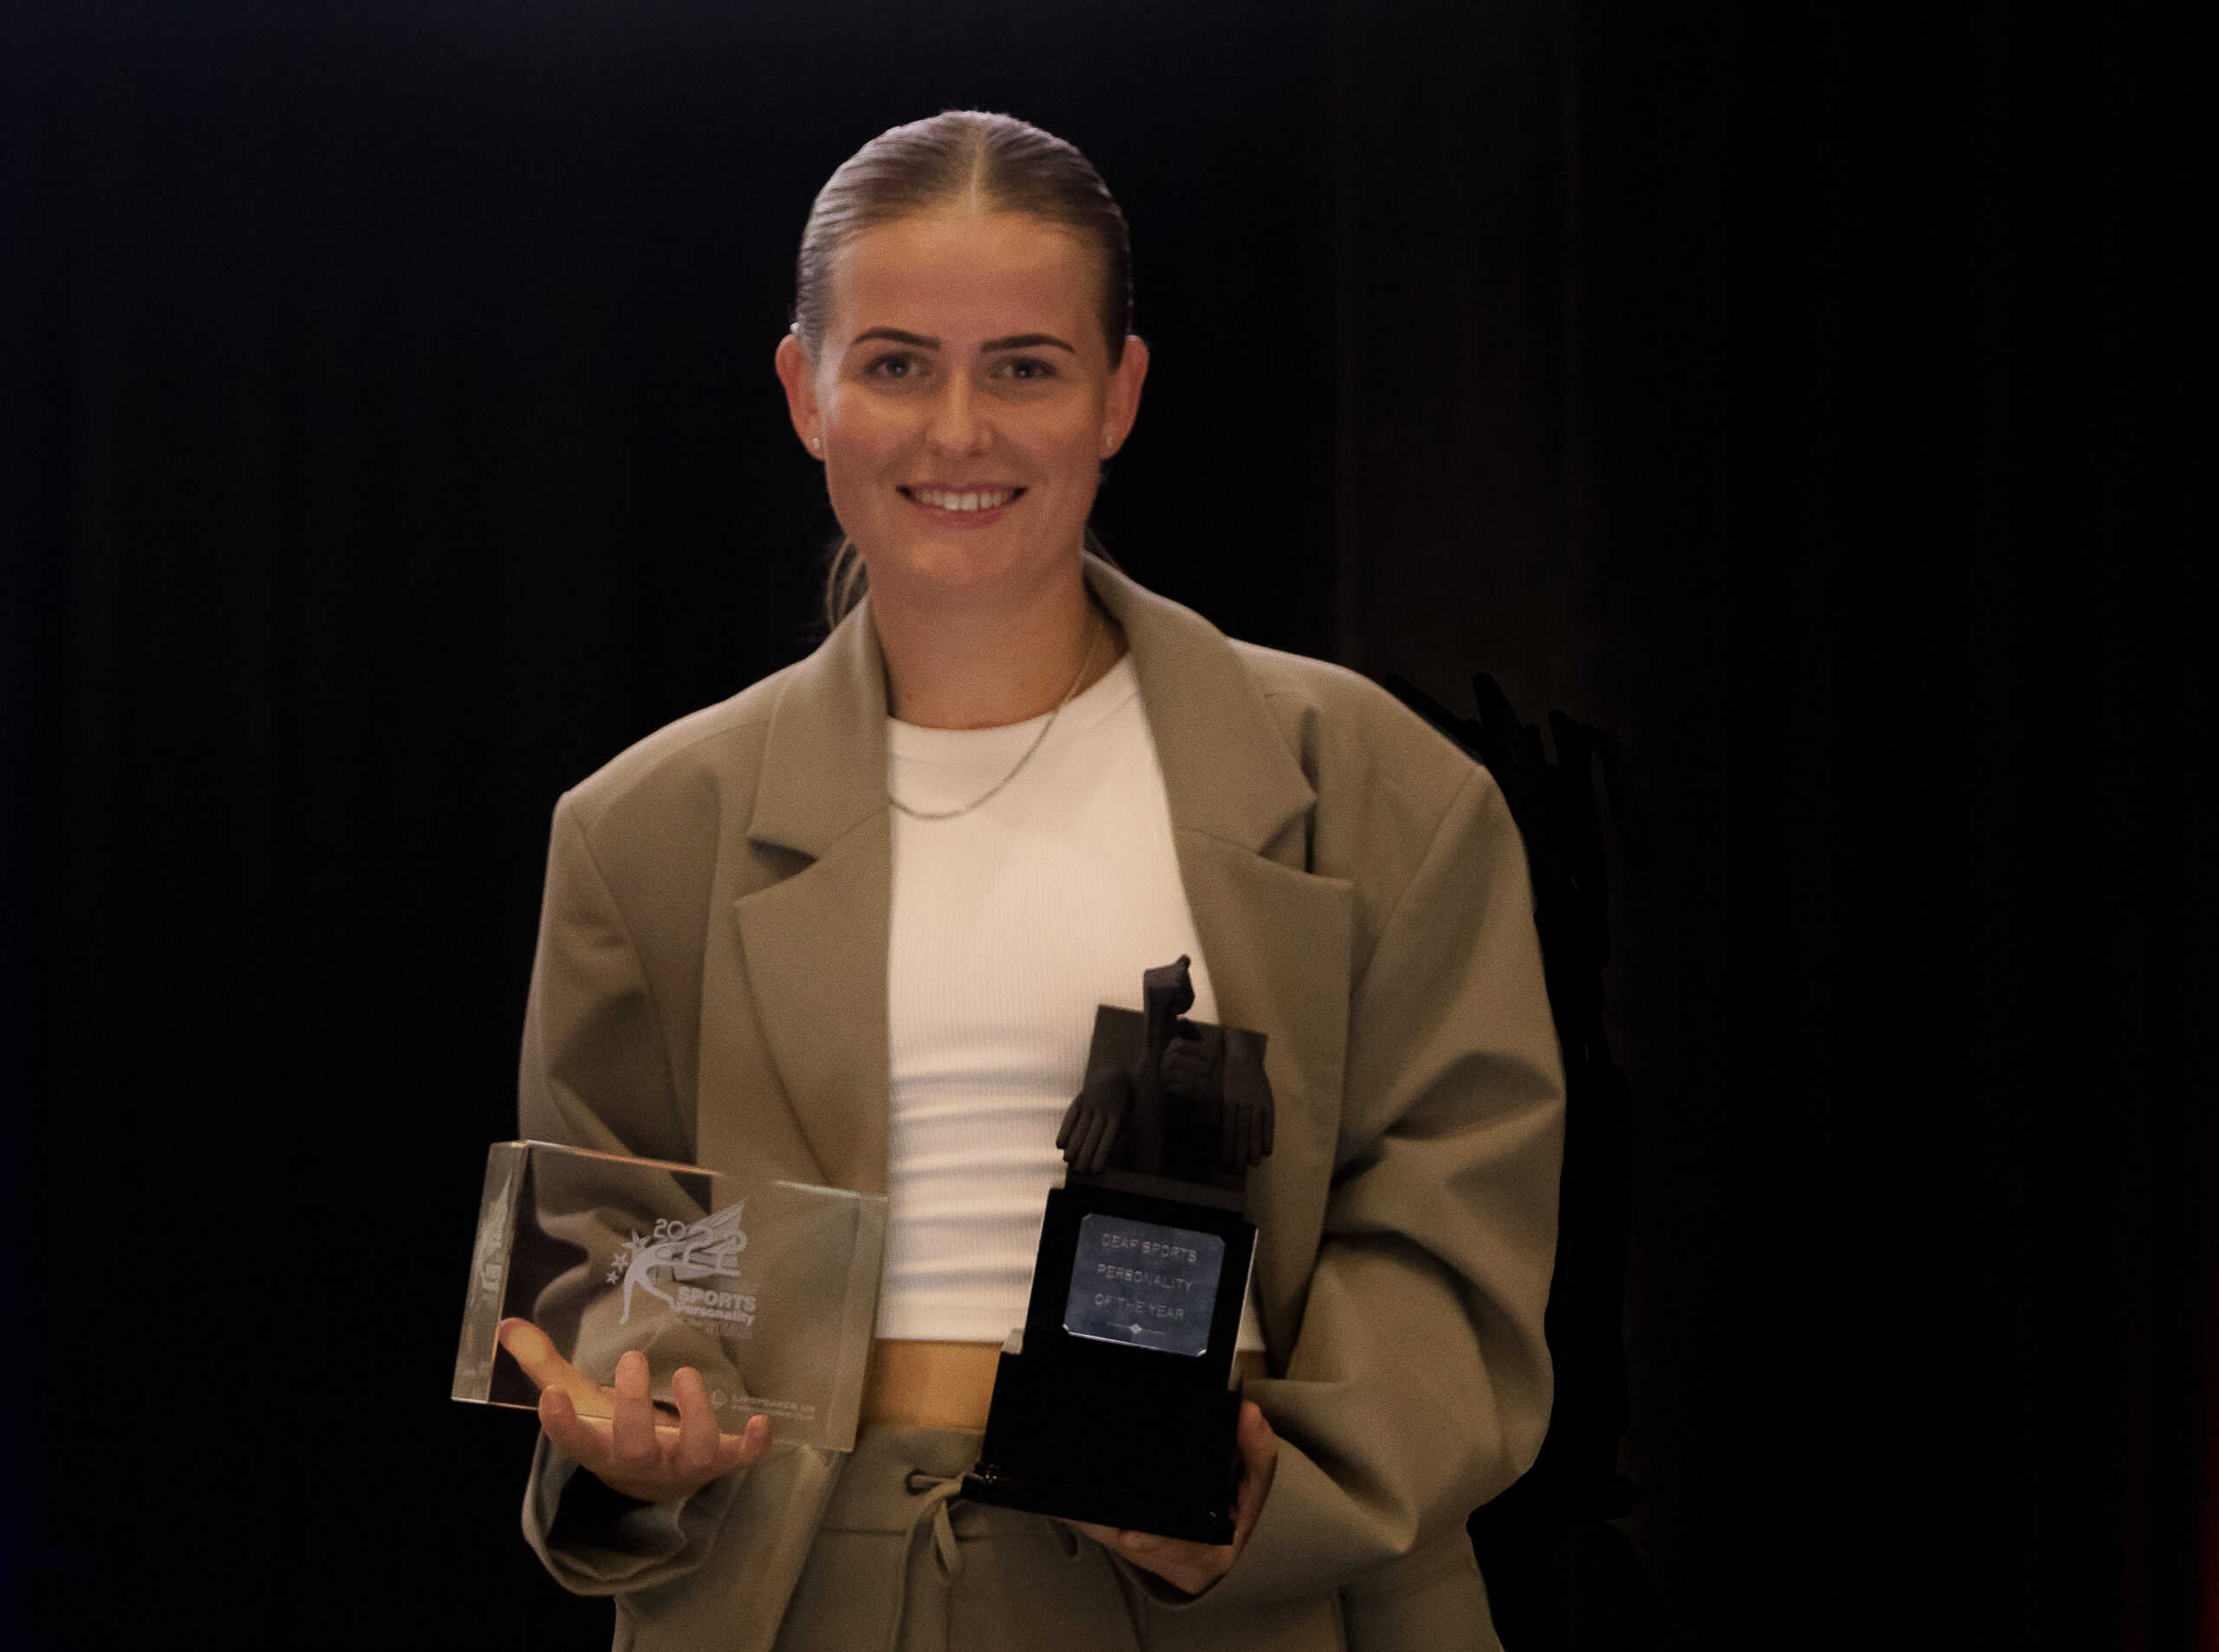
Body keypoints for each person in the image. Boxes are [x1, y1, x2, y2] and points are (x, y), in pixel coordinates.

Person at [498, 109, 1565, 1652]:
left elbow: (1453, 1217)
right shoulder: (643, 830)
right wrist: (636, 1420)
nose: (958, 432)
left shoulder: (1380, 792)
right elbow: (606, 1242)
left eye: (1024, 367)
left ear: (1119, 393)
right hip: (803, 1585)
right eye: (895, 364)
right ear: (804, 392)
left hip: (1249, 1582)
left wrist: (1262, 1494)